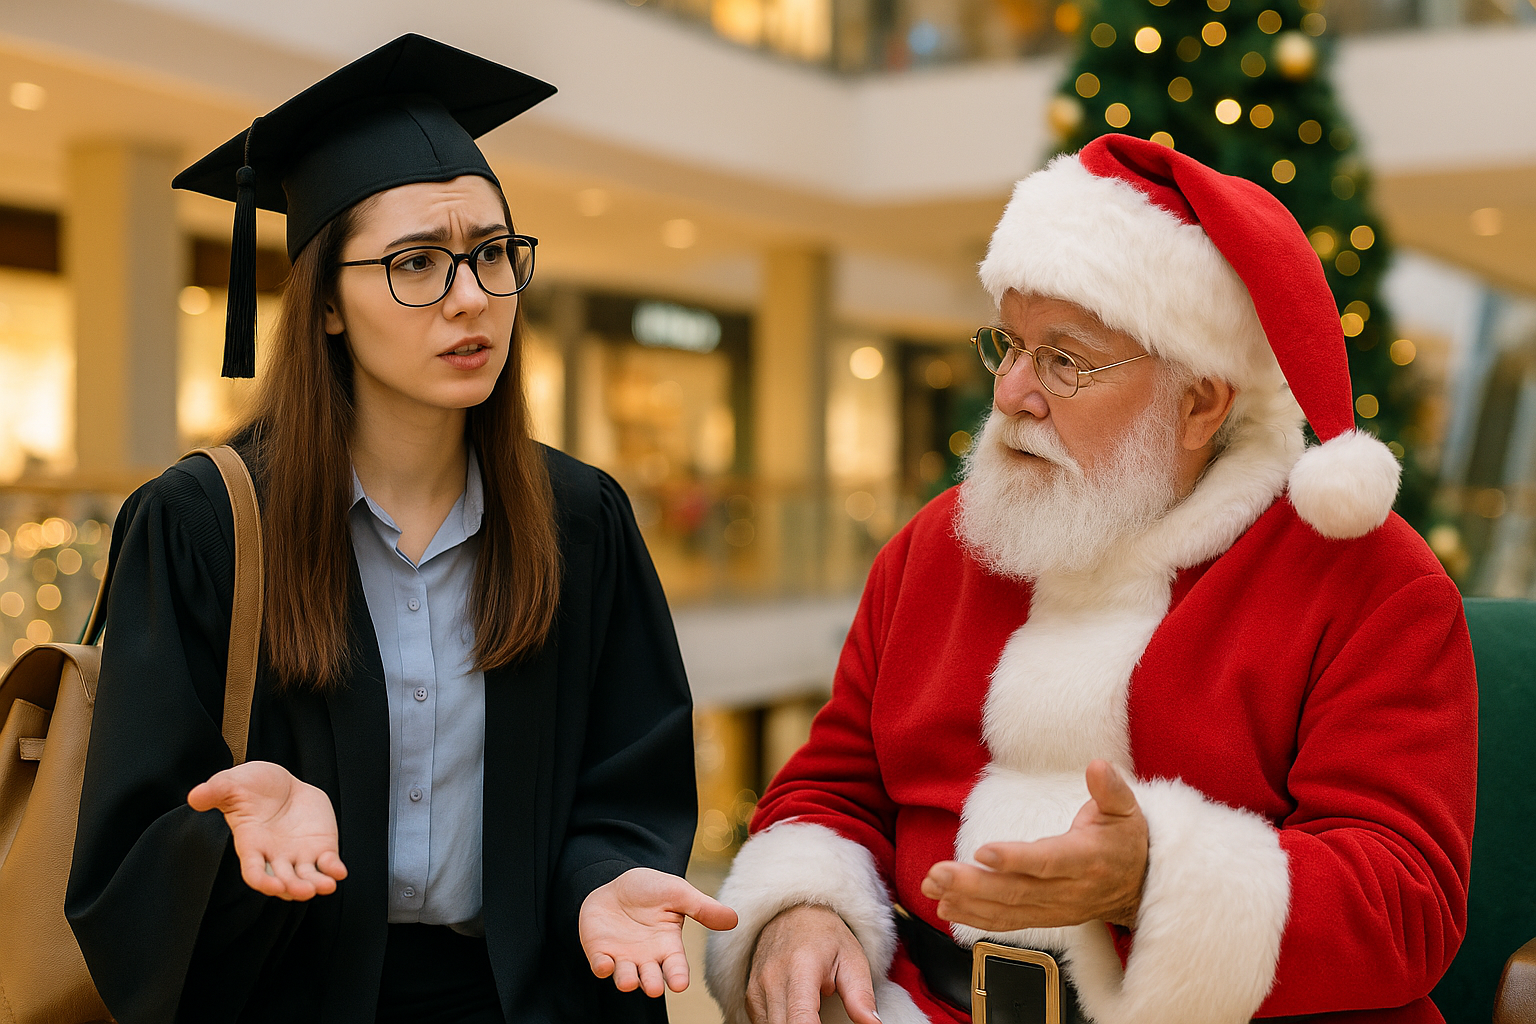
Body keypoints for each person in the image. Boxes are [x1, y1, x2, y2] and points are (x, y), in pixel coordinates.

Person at [705, 134, 1476, 1024]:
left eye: (1065, 360)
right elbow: (832, 787)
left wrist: (1149, 883)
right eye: (1010, 344)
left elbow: (1406, 902)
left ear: (1201, 402)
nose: (1010, 394)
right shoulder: (936, 547)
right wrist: (804, 904)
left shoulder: (1369, 580)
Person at [65, 34, 735, 1024]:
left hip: (525, 999)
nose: (471, 298)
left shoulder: (579, 520)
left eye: (494, 255)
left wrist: (604, 880)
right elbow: (127, 851)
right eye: (417, 262)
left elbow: (627, 775)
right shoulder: (201, 525)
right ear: (327, 304)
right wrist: (243, 844)